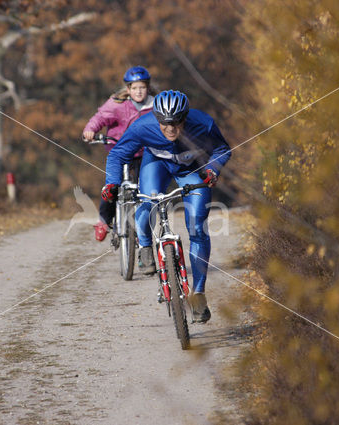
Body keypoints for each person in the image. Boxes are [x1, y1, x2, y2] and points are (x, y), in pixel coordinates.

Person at [101, 90, 231, 323]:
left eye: (177, 123)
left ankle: (198, 294)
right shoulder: (142, 126)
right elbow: (118, 154)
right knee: (147, 201)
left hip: (191, 170)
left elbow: (222, 149)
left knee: (198, 229)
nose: (171, 129)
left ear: (186, 117)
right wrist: (112, 183)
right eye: (165, 124)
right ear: (156, 118)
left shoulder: (204, 124)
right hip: (157, 166)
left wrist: (213, 169)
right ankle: (146, 247)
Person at [82, 66, 156, 242]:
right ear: (128, 89)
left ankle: (142, 231)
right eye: (135, 87)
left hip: (145, 153)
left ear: (148, 88)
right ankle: (104, 221)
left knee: (145, 191)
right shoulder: (118, 104)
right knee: (112, 188)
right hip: (120, 153)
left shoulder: (154, 105)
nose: (139, 91)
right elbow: (100, 118)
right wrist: (90, 130)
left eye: (142, 87)